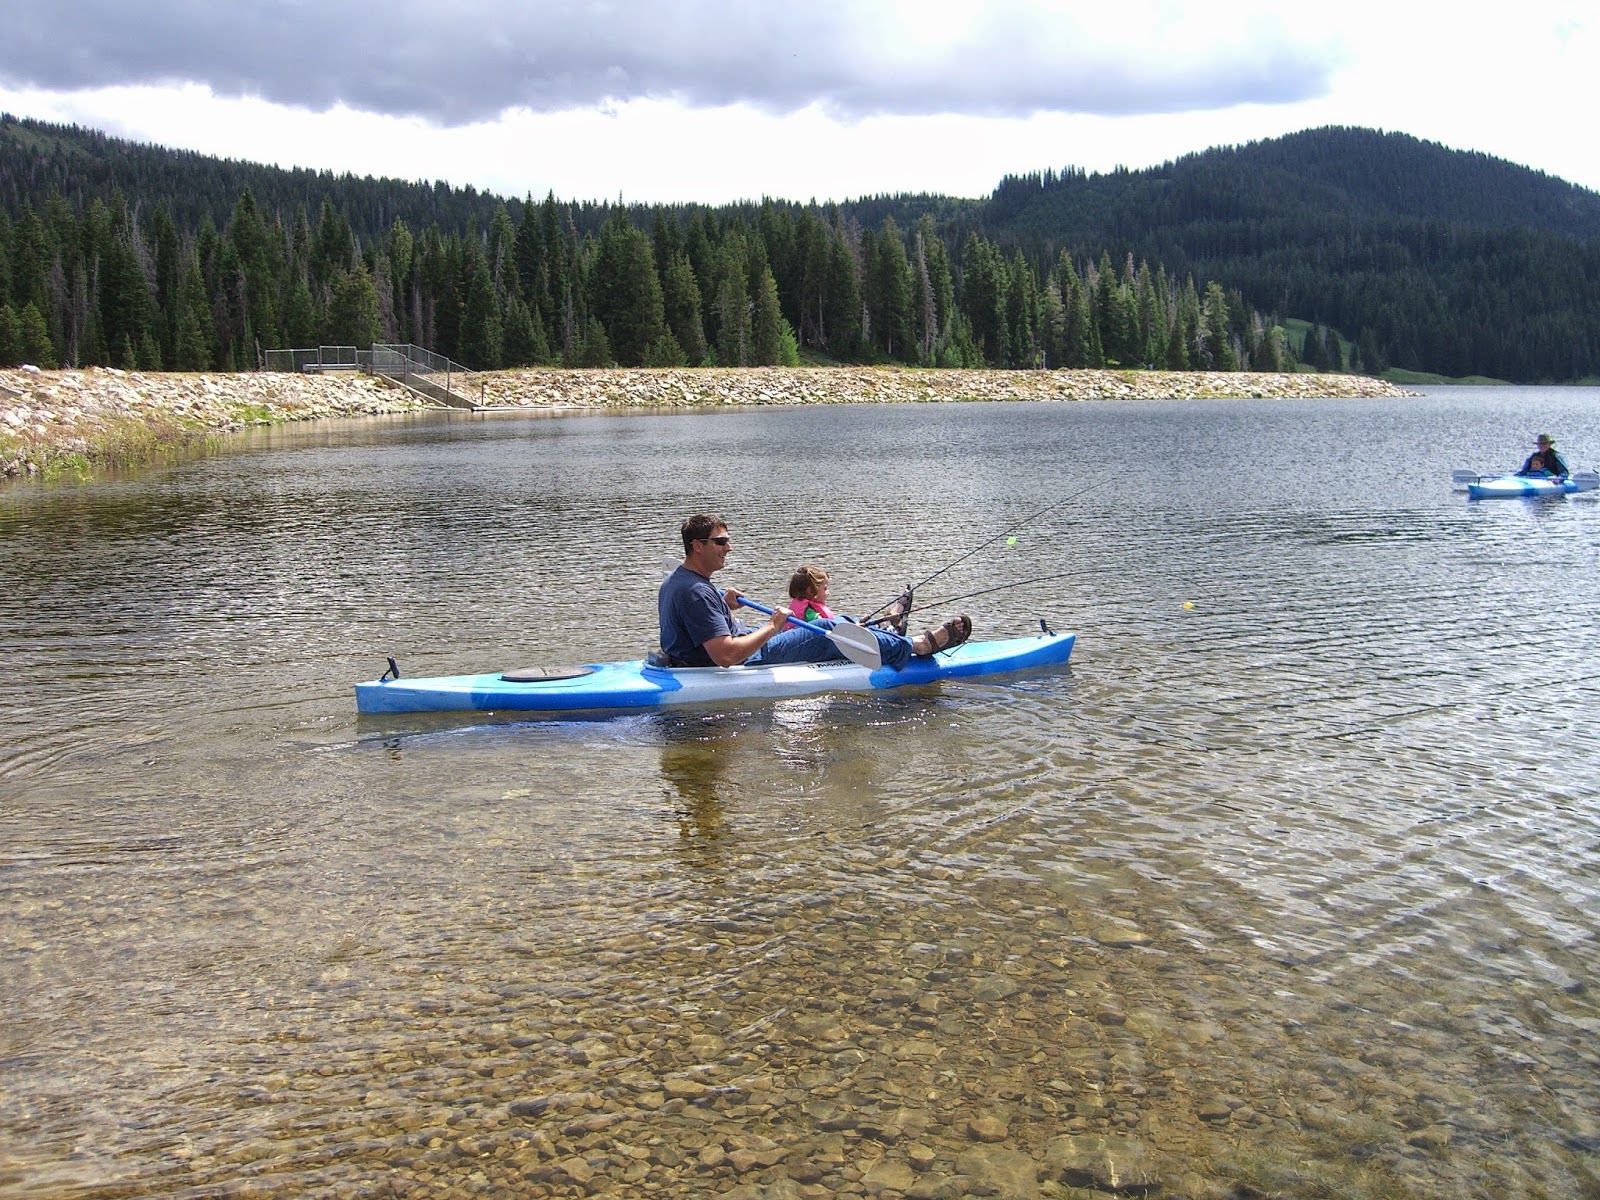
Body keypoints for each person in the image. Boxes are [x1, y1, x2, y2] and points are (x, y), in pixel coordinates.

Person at [658, 514, 970, 670]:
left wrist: (724, 606)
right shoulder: (696, 591)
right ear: (698, 546)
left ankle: (887, 635)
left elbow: (699, 621)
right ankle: (915, 646)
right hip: (747, 659)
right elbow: (725, 656)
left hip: (718, 646)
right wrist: (772, 626)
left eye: (728, 540)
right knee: (828, 629)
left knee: (843, 622)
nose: (729, 548)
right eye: (721, 542)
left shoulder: (679, 579)